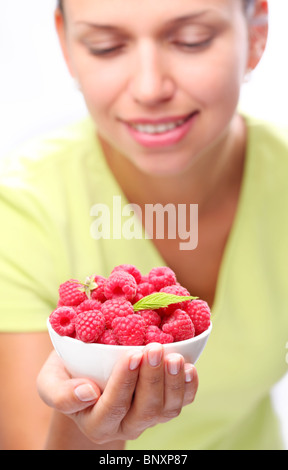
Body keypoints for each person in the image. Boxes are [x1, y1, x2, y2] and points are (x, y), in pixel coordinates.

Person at [0, 0, 287, 450]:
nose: (150, 88)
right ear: (67, 46)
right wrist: (85, 430)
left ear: (256, 32)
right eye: (106, 46)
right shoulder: (20, 207)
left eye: (192, 41)